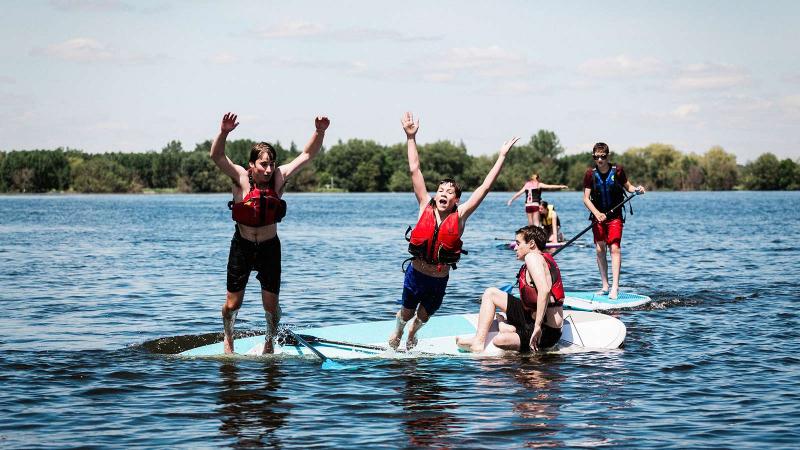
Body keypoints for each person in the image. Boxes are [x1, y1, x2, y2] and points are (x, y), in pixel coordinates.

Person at [388, 111, 519, 350]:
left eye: (449, 192)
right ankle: (398, 330)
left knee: (423, 317)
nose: (443, 194)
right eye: (440, 191)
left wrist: (501, 156)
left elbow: (486, 186)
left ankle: (412, 333)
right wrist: (410, 138)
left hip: (438, 280)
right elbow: (414, 170)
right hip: (416, 275)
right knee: (405, 313)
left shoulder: (460, 215)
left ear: (456, 200)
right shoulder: (423, 204)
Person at [210, 112, 330, 354]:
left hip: (269, 248)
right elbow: (217, 156)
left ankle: (269, 341)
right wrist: (223, 132)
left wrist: (319, 132)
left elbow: (307, 155)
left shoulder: (278, 178)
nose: (268, 169)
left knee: (271, 306)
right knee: (232, 305)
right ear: (252, 165)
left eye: (271, 164)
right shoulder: (240, 179)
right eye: (263, 164)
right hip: (242, 246)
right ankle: (228, 337)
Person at [456, 225, 565, 353]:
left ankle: (506, 327)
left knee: (500, 340)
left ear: (531, 244)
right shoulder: (542, 258)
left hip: (546, 332)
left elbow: (544, 290)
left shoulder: (532, 257)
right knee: (491, 293)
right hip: (532, 318)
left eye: (518, 243)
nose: (515, 247)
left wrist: (537, 327)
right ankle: (479, 341)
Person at [582, 142, 645, 300]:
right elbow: (586, 199)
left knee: (614, 248)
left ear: (607, 156)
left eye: (603, 156)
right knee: (599, 249)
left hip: (615, 216)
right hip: (598, 217)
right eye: (597, 157)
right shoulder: (590, 174)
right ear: (593, 157)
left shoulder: (618, 171)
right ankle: (605, 286)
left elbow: (628, 187)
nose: (600, 160)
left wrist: (637, 189)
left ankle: (615, 287)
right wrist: (597, 213)